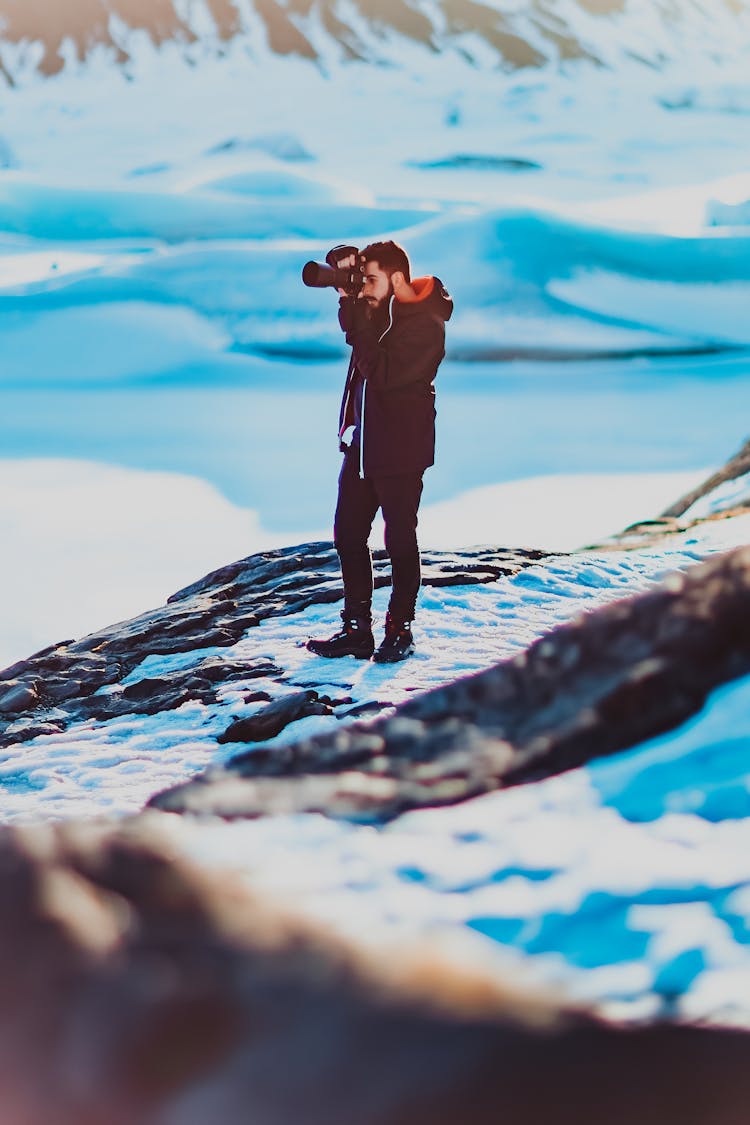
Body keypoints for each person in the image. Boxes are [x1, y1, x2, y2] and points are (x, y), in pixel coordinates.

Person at [307, 240, 453, 663]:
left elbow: (382, 371)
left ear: (396, 278)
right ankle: (356, 630)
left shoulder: (427, 323)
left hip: (401, 449)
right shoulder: (379, 310)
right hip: (364, 445)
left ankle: (399, 630)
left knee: (399, 539)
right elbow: (363, 344)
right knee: (348, 535)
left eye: (371, 280)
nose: (364, 288)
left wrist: (358, 317)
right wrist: (348, 289)